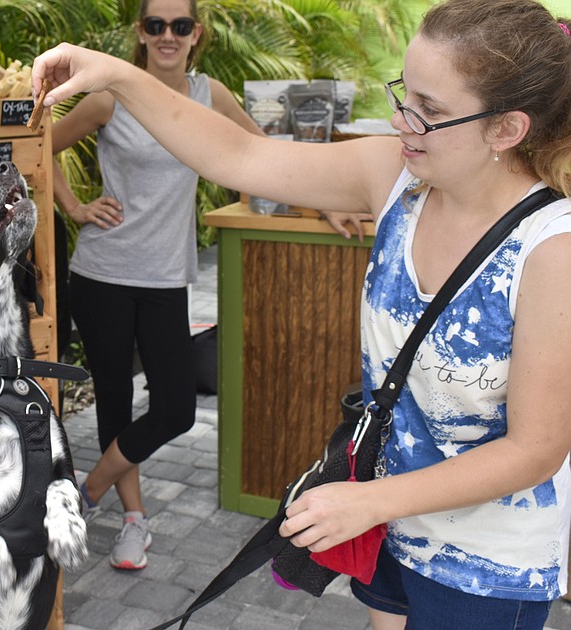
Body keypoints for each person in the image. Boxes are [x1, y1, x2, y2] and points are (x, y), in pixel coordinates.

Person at [33, 0, 571, 626]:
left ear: (506, 129)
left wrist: (368, 503)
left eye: (430, 110)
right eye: (404, 94)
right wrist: (121, 76)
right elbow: (237, 156)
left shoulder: (550, 248)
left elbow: (536, 450)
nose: (402, 122)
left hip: (484, 562)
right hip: (389, 525)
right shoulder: (395, 176)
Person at [50, 0, 265, 571]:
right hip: (102, 275)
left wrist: (324, 206)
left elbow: (262, 155)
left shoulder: (208, 96)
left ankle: (85, 493)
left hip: (167, 277)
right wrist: (75, 207)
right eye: (155, 25)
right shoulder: (109, 97)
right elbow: (35, 146)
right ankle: (133, 521)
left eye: (180, 25)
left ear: (197, 35)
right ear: (140, 34)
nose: (168, 35)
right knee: (116, 402)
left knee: (174, 408)